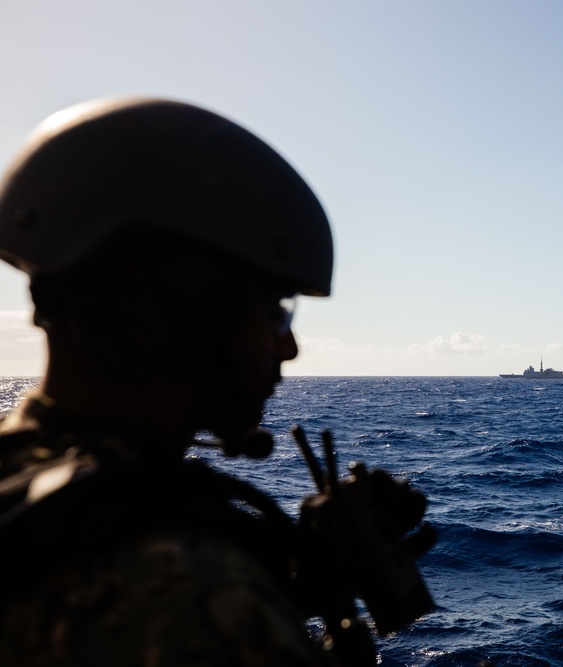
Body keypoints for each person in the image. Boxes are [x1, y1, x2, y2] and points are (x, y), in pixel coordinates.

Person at [0, 98, 431, 666]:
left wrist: (295, 585)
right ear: (161, 312)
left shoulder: (28, 484)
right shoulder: (183, 591)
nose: (289, 346)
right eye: (274, 310)